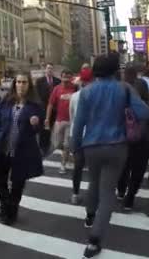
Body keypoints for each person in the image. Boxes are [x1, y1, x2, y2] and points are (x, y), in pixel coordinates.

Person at [71, 54, 149, 258]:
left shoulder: (86, 91)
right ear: (116, 70)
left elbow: (78, 124)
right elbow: (144, 113)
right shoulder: (124, 88)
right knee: (108, 193)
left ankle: (89, 216)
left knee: (93, 182)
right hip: (117, 146)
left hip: (91, 146)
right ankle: (94, 241)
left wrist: (75, 147)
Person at [0, 72, 44, 225]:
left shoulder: (35, 106)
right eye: (18, 82)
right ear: (14, 84)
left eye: (24, 82)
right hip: (4, 148)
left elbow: (39, 128)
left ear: (29, 85)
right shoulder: (7, 101)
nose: (20, 85)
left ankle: (11, 212)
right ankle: (6, 206)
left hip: (22, 151)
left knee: (18, 183)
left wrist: (35, 123)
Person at [116, 66, 149, 211]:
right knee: (139, 167)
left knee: (123, 165)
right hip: (141, 133)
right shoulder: (141, 85)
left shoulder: (118, 88)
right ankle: (130, 197)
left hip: (123, 134)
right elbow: (146, 109)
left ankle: (121, 190)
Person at [45, 68, 76, 174]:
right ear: (61, 77)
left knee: (66, 144)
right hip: (59, 120)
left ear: (71, 78)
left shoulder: (75, 88)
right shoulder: (56, 89)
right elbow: (50, 104)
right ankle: (67, 154)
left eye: (68, 77)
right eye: (64, 77)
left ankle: (63, 164)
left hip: (70, 121)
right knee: (57, 144)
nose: (65, 79)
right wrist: (47, 119)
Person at [69, 67, 93, 205]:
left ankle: (75, 194)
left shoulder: (74, 96)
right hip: (92, 136)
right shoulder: (97, 95)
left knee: (78, 167)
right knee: (94, 168)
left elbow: (72, 117)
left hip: (76, 135)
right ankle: (93, 195)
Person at [35, 63, 61, 155]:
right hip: (43, 109)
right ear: (45, 70)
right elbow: (36, 95)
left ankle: (48, 145)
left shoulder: (57, 81)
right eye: (48, 68)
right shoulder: (39, 81)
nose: (50, 70)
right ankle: (43, 147)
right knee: (43, 129)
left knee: (51, 128)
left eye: (51, 68)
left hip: (54, 109)